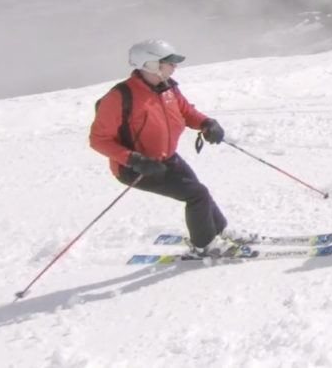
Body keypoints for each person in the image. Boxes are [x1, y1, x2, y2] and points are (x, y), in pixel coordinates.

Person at [89, 40, 237, 257]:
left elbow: (185, 112)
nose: (174, 67)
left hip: (167, 158)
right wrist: (134, 160)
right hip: (137, 168)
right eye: (169, 62)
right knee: (196, 194)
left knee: (198, 190)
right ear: (150, 64)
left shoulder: (167, 87)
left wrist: (207, 123)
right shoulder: (120, 97)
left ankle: (220, 231)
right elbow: (98, 139)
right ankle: (204, 245)